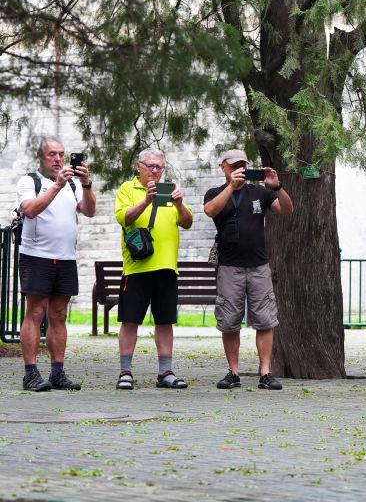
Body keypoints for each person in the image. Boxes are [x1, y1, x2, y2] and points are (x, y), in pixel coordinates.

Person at [203, 150, 293, 391]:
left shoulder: (260, 192)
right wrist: (231, 187)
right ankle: (233, 372)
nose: (239, 169)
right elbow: (210, 211)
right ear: (223, 167)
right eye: (234, 166)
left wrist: (277, 187)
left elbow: (286, 209)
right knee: (230, 321)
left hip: (258, 265)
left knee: (264, 320)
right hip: (230, 267)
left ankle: (265, 372)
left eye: (243, 166)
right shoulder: (215, 193)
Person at [14, 137, 96, 391]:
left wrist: (86, 184)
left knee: (59, 315)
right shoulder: (30, 181)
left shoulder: (72, 184)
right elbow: (29, 210)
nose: (59, 159)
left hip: (66, 257)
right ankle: (30, 374)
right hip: (36, 255)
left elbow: (90, 211)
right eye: (52, 154)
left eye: (61, 154)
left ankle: (58, 372)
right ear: (41, 157)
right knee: (35, 313)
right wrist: (56, 186)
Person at [114, 148, 193, 390]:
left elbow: (187, 222)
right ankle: (125, 372)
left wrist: (179, 203)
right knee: (130, 321)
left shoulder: (169, 191)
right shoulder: (128, 189)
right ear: (139, 166)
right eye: (150, 166)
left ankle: (165, 372)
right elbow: (123, 217)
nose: (155, 171)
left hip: (167, 268)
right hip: (137, 268)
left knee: (165, 321)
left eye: (159, 167)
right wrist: (146, 200)